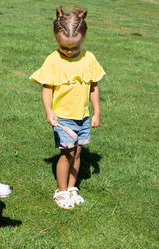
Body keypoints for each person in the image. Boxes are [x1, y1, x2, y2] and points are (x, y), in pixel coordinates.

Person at [30, 6, 105, 209]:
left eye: (74, 47)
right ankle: (61, 191)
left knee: (78, 152)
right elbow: (47, 90)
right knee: (67, 154)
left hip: (83, 116)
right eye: (65, 48)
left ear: (83, 38)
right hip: (62, 117)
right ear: (57, 40)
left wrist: (96, 111)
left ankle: (72, 188)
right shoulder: (53, 60)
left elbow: (93, 87)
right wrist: (49, 112)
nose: (70, 52)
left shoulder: (89, 58)